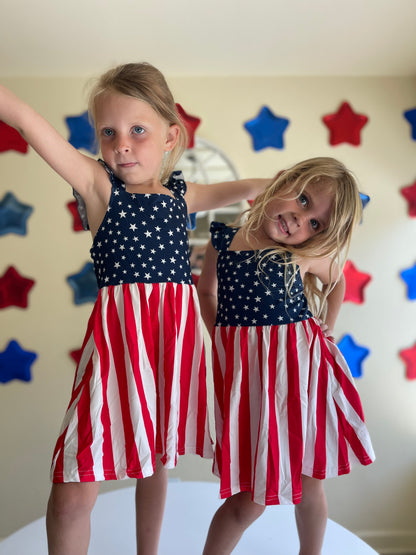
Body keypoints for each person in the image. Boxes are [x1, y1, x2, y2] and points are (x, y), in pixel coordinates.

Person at [0, 62, 269, 555]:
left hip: (173, 346)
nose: (121, 143)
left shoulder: (179, 196)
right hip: (120, 347)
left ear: (171, 136)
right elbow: (21, 118)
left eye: (137, 130)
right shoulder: (99, 186)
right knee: (72, 488)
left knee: (156, 459)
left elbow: (244, 188)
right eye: (108, 131)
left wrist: (280, 185)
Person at [197, 157, 375, 555]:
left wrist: (327, 325)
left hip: (297, 375)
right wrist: (220, 335)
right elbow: (206, 292)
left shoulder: (300, 256)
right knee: (249, 498)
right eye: (303, 200)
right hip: (249, 379)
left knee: (309, 480)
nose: (301, 220)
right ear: (283, 181)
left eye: (316, 225)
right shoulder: (224, 238)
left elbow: (338, 279)